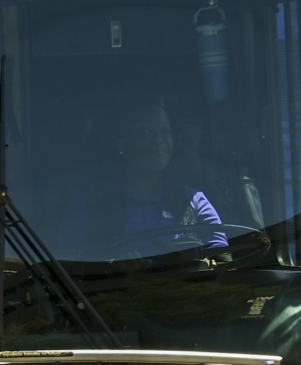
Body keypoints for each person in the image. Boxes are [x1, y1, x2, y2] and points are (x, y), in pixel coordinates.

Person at [61, 97, 228, 258]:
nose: (159, 139)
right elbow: (74, 261)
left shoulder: (192, 200)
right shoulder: (91, 203)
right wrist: (114, 267)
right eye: (145, 131)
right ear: (122, 143)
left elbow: (220, 253)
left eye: (165, 131)